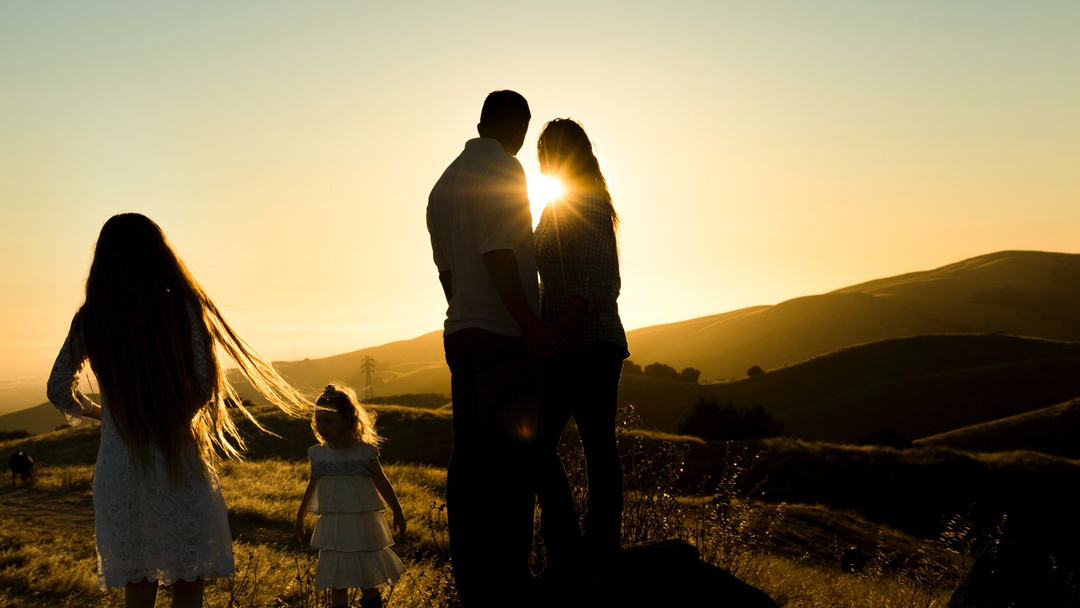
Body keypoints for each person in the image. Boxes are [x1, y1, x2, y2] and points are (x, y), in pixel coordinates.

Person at [46, 213, 310, 608]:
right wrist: (172, 417)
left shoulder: (92, 318)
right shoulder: (183, 308)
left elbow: (57, 389)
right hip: (176, 457)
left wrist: (104, 414)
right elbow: (204, 385)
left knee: (139, 580)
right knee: (188, 579)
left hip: (120, 466)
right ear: (159, 254)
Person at [426, 89, 557, 607]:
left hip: (460, 332)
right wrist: (528, 325)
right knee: (511, 464)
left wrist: (465, 315)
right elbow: (500, 254)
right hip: (502, 335)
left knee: (470, 464)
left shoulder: (443, 183)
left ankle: (474, 582)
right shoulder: (504, 168)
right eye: (523, 128)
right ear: (515, 125)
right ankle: (509, 582)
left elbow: (448, 273)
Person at [532, 118, 629, 577]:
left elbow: (599, 282)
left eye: (550, 150)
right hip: (563, 346)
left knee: (596, 448)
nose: (544, 159)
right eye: (542, 151)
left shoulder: (586, 202)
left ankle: (597, 549)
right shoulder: (554, 206)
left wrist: (554, 329)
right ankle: (571, 549)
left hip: (589, 345)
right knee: (540, 448)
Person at [294, 383, 407, 608]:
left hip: (363, 526)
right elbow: (311, 486)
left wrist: (397, 511)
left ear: (347, 420)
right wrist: (300, 517)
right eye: (318, 420)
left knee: (368, 580)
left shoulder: (364, 452)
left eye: (328, 420)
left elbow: (382, 482)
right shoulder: (319, 455)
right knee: (338, 582)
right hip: (335, 528)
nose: (321, 425)